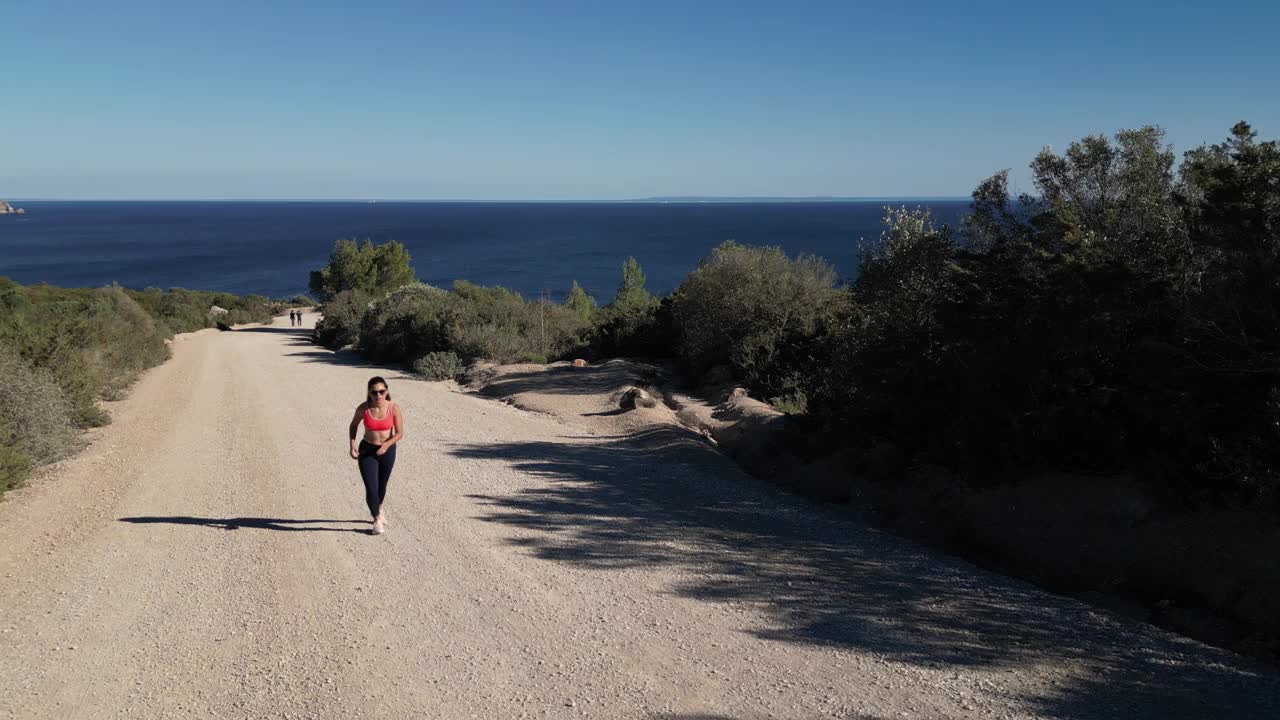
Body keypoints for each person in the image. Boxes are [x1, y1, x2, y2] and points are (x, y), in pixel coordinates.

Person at [348, 376, 405, 535]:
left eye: (382, 391)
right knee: (371, 487)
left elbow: (400, 433)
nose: (379, 395)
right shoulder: (363, 408)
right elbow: (353, 426)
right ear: (369, 393)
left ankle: (378, 507)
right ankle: (377, 518)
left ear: (387, 391)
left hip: (388, 451)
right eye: (374, 392)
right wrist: (352, 444)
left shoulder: (393, 408)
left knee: (382, 485)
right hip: (367, 451)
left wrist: (386, 445)